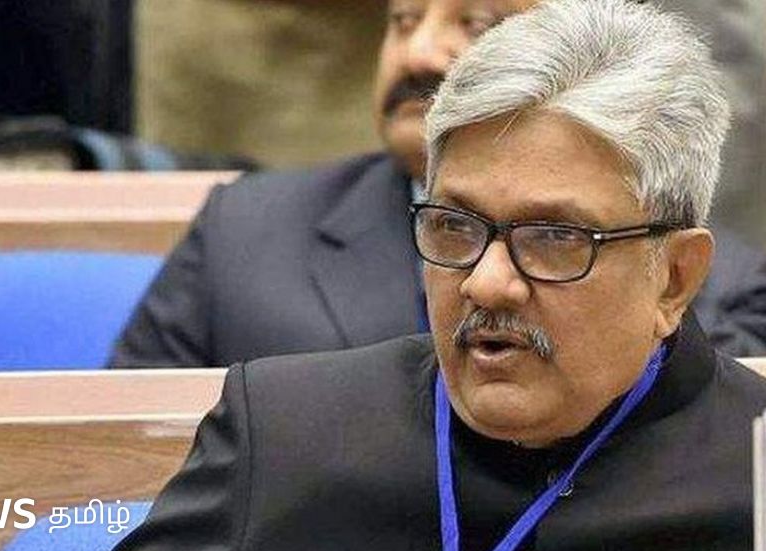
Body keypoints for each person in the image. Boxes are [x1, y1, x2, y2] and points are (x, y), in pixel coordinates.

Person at [0, 1, 765, 551]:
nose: (488, 282)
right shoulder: (289, 430)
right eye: (455, 228)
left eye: (553, 240)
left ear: (674, 276)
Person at [109, 0, 766, 368]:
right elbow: (113, 483)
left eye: (476, 25)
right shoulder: (242, 233)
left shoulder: (723, 291)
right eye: (402, 19)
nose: (419, 52)